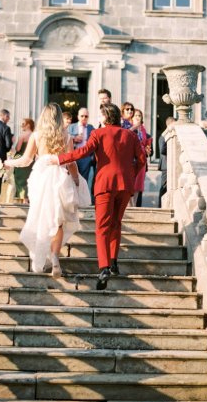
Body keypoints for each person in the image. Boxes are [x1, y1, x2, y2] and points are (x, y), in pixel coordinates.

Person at [47, 103, 146, 290]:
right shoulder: (130, 135)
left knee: (102, 227)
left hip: (105, 184)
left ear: (105, 117)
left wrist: (60, 159)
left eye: (100, 116)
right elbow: (142, 160)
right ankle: (114, 261)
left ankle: (104, 267)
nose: (98, 119)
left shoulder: (98, 134)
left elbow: (83, 151)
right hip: (125, 184)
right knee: (116, 223)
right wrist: (130, 174)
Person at [4, 103, 81, 278]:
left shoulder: (37, 136)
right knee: (58, 219)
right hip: (60, 178)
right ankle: (54, 255)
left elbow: (25, 160)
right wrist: (76, 180)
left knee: (41, 216)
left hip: (40, 177)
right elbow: (70, 162)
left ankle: (42, 255)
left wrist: (9, 162)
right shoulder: (67, 136)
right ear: (60, 117)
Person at [68, 107, 95, 189]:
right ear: (78, 116)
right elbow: (66, 137)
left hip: (86, 156)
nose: (84, 118)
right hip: (73, 155)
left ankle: (83, 199)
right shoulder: (72, 126)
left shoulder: (91, 127)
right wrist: (74, 138)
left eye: (86, 116)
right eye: (82, 116)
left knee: (84, 179)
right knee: (72, 178)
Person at [130, 109, 152, 207]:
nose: (138, 117)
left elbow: (147, 145)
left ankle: (134, 205)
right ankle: (129, 205)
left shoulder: (144, 130)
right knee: (131, 183)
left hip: (142, 159)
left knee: (138, 185)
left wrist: (148, 152)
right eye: (136, 115)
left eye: (139, 115)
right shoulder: (129, 128)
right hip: (131, 160)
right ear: (132, 118)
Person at [13, 118, 35, 203]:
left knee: (20, 179)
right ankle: (29, 199)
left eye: (23, 124)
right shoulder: (34, 135)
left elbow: (18, 149)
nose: (21, 125)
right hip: (32, 159)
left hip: (22, 158)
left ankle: (24, 200)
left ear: (28, 125)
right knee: (29, 179)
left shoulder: (22, 135)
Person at [158, 116, 176, 207]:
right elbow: (162, 150)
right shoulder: (164, 135)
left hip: (169, 164)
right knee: (164, 187)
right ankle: (160, 206)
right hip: (166, 165)